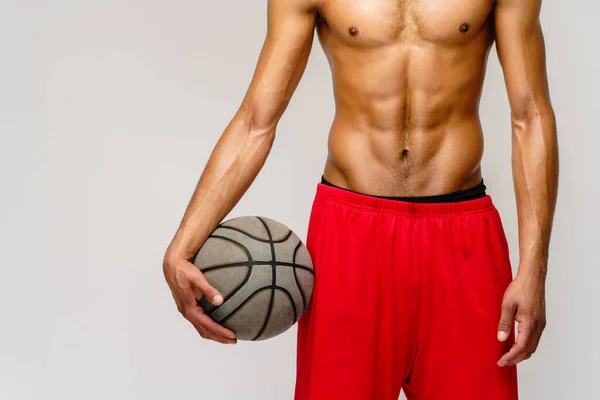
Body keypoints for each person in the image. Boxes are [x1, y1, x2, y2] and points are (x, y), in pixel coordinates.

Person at [162, 0, 558, 398]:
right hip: (351, 237)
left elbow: (530, 114)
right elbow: (255, 121)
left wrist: (534, 266)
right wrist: (183, 245)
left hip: (462, 235)